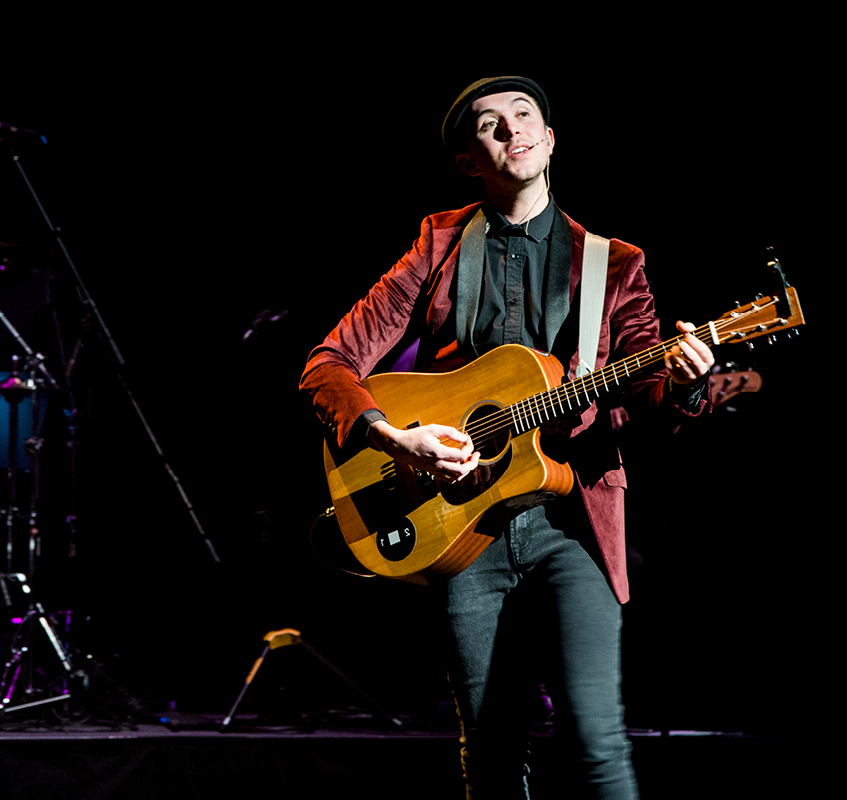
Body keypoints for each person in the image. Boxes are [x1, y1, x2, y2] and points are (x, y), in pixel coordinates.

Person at [299, 76, 714, 798]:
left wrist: (682, 382)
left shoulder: (614, 264)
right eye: (489, 124)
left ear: (550, 139)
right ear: (469, 160)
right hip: (464, 533)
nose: (511, 128)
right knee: (491, 749)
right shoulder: (437, 243)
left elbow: (647, 399)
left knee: (595, 739)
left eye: (525, 115)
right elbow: (328, 364)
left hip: (572, 525)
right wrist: (396, 440)